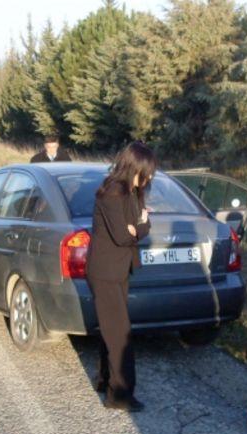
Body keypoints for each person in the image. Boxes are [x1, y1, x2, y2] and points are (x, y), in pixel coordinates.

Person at [86, 141, 156, 412]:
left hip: (119, 268)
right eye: (146, 171)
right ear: (133, 167)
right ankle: (119, 395)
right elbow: (123, 234)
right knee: (120, 335)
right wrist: (137, 227)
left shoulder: (133, 192)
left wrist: (137, 226)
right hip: (104, 272)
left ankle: (105, 380)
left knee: (112, 330)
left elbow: (143, 226)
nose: (149, 178)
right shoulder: (112, 193)